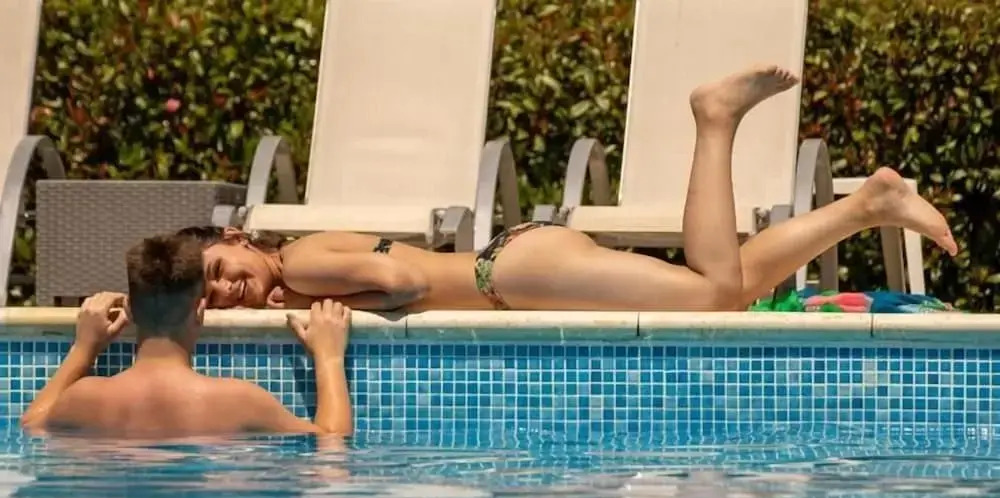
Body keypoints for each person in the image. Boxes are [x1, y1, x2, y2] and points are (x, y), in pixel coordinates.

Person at [179, 65, 958, 313]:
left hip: (509, 276)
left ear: (239, 237)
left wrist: (316, 307)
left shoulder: (301, 264)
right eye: (213, 293)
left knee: (713, 295)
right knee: (734, 284)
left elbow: (402, 280)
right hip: (517, 265)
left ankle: (714, 121)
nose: (227, 288)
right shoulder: (299, 262)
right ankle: (868, 206)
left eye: (219, 269)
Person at [20, 234, 354, 438]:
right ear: (200, 310)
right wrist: (329, 358)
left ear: (131, 309)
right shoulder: (239, 401)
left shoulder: (85, 399)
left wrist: (84, 348)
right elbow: (332, 441)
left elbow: (31, 423)